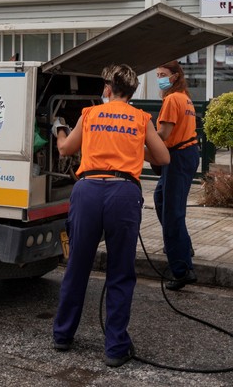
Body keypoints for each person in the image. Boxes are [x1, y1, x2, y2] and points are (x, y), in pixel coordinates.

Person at [51, 64, 169, 368]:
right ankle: (115, 348)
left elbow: (65, 149)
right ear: (132, 91)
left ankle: (62, 335)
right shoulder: (141, 118)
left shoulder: (90, 114)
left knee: (77, 265)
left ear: (107, 89)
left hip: (87, 191)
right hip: (123, 194)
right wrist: (136, 145)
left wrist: (59, 128)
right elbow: (163, 157)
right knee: (120, 271)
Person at [153, 60, 200, 291]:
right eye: (158, 75)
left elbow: (163, 134)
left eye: (163, 74)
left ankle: (182, 270)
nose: (159, 78)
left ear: (175, 76)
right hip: (186, 154)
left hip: (179, 156)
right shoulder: (184, 98)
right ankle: (183, 245)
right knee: (160, 198)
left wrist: (140, 136)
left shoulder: (172, 99)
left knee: (172, 213)